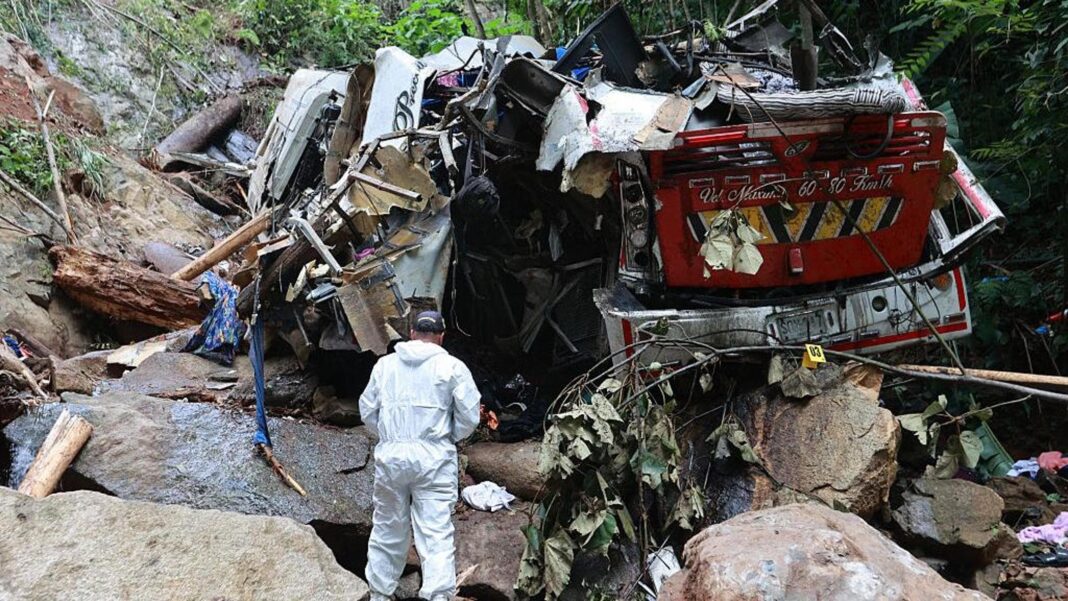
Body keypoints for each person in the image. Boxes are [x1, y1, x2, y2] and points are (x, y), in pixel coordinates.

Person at [360, 310, 481, 601]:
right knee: (435, 533)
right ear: (441, 336)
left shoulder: (384, 366)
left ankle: (379, 594)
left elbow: (367, 411)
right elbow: (470, 417)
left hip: (391, 458)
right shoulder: (452, 367)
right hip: (434, 460)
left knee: (388, 528)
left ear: (411, 333)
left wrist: (390, 438)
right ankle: (437, 597)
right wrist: (449, 437)